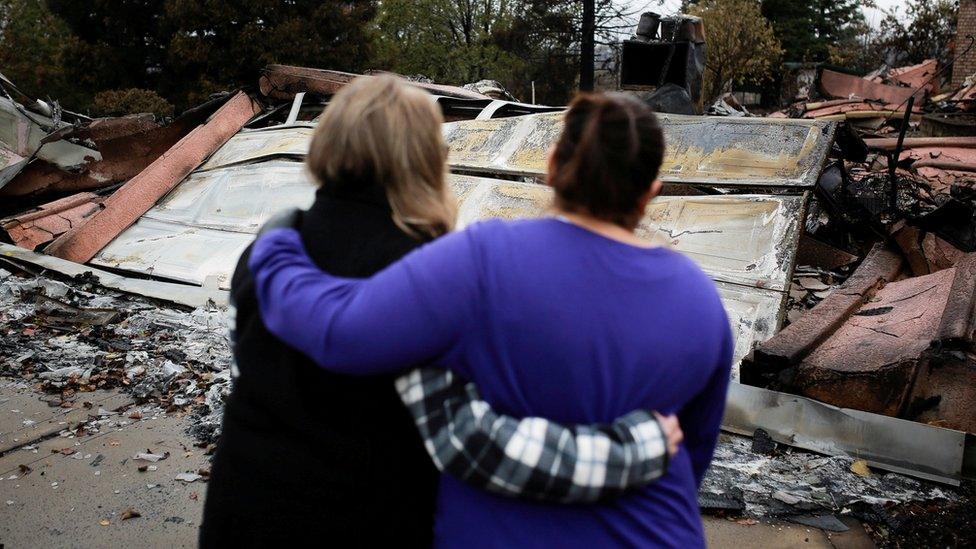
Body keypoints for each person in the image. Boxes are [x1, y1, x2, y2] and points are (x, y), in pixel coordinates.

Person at [199, 76, 684, 548]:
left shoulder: (272, 250)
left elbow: (254, 372)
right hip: (359, 523)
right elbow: (474, 443)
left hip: (238, 510)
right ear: (427, 159)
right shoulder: (424, 275)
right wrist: (634, 449)